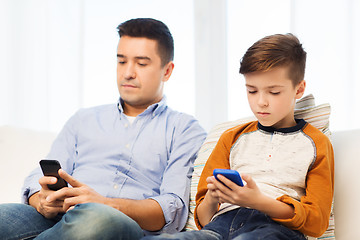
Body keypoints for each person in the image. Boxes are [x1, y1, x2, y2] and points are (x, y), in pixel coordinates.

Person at [0, 18, 206, 240]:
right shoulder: (83, 119)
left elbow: (172, 209)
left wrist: (105, 204)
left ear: (167, 71)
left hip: (118, 224)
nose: (128, 73)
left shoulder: (185, 129)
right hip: (60, 217)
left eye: (141, 63)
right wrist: (41, 199)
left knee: (98, 219)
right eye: (121, 61)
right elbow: (40, 176)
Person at [143, 34, 334, 240]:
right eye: (252, 91)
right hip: (219, 227)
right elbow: (204, 218)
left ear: (299, 89)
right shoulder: (232, 138)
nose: (261, 102)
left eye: (274, 92)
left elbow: (317, 221)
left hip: (275, 230)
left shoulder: (316, 143)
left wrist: (258, 201)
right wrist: (213, 197)